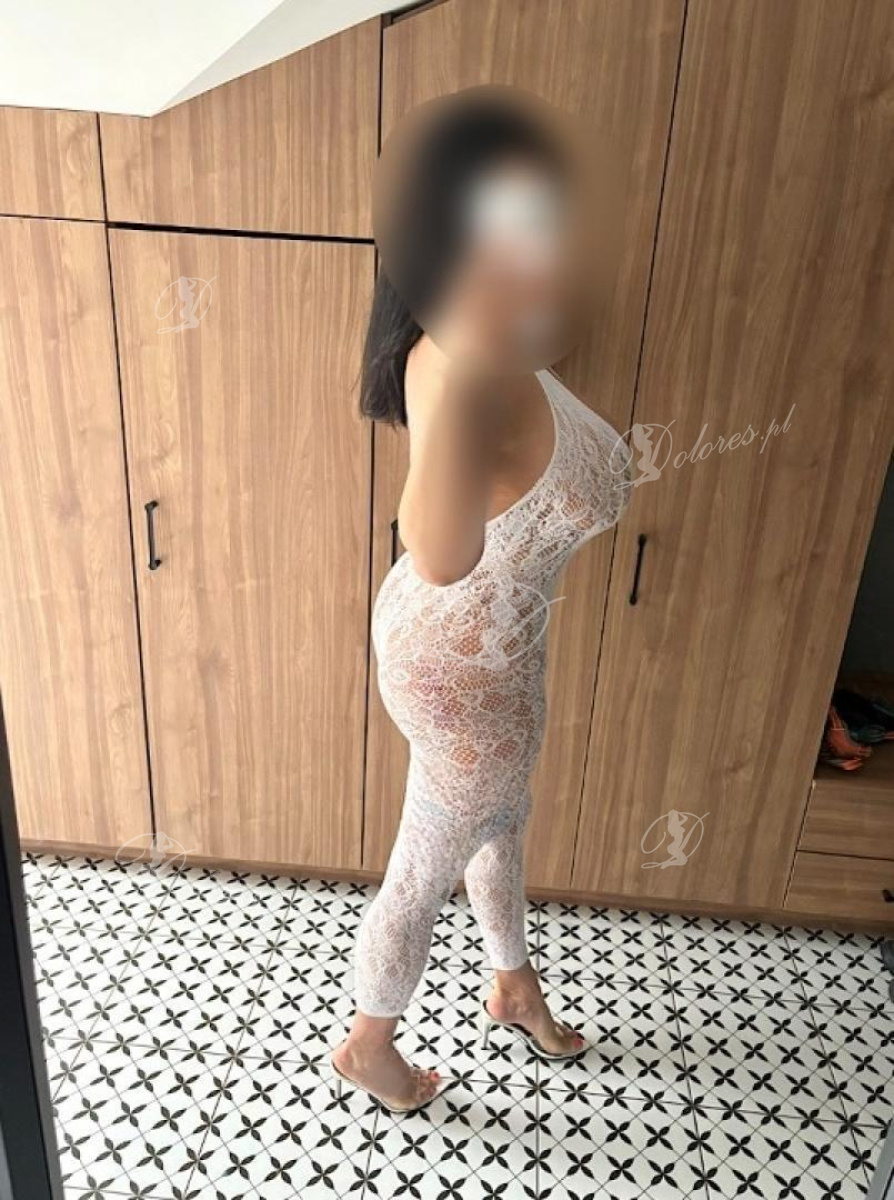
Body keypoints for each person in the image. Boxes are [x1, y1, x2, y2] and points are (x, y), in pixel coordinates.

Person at [331, 87, 632, 1113]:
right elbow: (439, 551)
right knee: (429, 859)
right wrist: (470, 368)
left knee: (501, 815)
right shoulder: (462, 358)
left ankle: (513, 985)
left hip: (484, 642)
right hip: (465, 658)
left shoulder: (487, 334)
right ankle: (369, 1045)